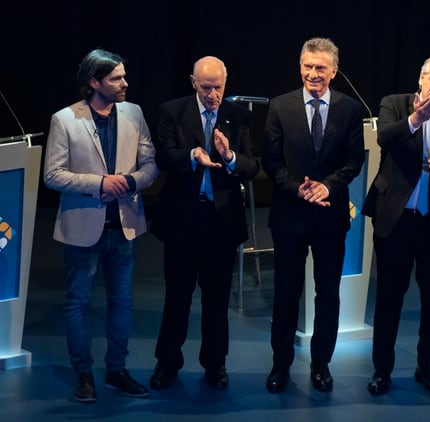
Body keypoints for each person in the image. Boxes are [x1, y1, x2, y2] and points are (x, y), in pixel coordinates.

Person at [43, 48, 158, 402]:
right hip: (83, 228)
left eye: (123, 76)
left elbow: (150, 163)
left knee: (122, 302)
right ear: (94, 82)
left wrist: (130, 181)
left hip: (124, 227)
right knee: (77, 303)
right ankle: (83, 375)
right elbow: (52, 174)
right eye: (116, 79)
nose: (125, 83)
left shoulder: (134, 113)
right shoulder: (65, 119)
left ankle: (116, 370)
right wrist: (99, 184)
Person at [361, 54, 430, 396]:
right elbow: (385, 138)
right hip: (395, 219)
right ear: (421, 79)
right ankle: (382, 371)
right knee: (389, 299)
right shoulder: (394, 104)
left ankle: (428, 370)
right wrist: (415, 118)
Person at [149, 56, 259, 391]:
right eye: (206, 87)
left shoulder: (238, 116)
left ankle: (215, 364)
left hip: (221, 224)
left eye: (219, 88)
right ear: (193, 82)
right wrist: (192, 155)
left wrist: (229, 157)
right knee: (177, 299)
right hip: (183, 221)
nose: (213, 95)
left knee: (217, 301)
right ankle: (167, 363)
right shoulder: (173, 111)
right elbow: (162, 156)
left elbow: (253, 166)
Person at [262, 37, 365, 394]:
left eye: (320, 67)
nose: (313, 74)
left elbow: (355, 160)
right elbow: (270, 160)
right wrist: (298, 187)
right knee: (286, 293)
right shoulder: (279, 106)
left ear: (334, 71)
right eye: (307, 66)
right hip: (290, 214)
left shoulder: (351, 110)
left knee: (328, 294)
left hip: (330, 216)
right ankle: (280, 365)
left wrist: (327, 186)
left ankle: (322, 365)